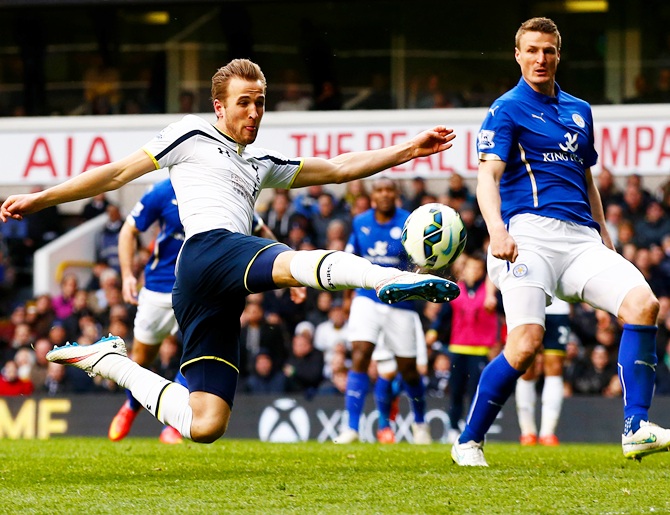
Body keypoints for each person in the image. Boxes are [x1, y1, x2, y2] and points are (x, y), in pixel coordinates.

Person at [1, 58, 458, 445]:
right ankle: (387, 279)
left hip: (208, 291)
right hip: (205, 250)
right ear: (219, 106)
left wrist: (406, 151)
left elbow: (339, 167)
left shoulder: (261, 165)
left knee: (206, 423)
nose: (255, 112)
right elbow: (117, 173)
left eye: (260, 101)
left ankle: (110, 362)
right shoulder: (192, 135)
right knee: (292, 259)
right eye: (244, 102)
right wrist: (41, 199)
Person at [451, 18, 670, 467]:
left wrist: (604, 232)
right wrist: (496, 229)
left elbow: (586, 178)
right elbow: (487, 177)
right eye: (532, 50)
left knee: (643, 304)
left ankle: (635, 428)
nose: (540, 59)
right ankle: (468, 441)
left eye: (548, 50)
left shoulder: (579, 110)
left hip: (581, 239)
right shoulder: (505, 109)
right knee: (527, 343)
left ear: (558, 54)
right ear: (517, 54)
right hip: (526, 237)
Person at [334, 178, 432, 445]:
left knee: (408, 370)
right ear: (373, 195)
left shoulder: (409, 222)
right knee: (361, 355)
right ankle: (351, 428)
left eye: (390, 189)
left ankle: (420, 424)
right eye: (380, 190)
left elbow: (420, 262)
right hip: (366, 298)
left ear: (396, 194)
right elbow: (350, 260)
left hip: (400, 302)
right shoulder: (359, 222)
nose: (385, 194)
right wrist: (346, 299)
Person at [107, 178, 187, 445]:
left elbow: (258, 227)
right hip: (159, 287)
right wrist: (128, 275)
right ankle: (131, 405)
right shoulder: (164, 190)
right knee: (142, 357)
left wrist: (287, 267)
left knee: (199, 354)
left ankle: (175, 424)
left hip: (200, 288)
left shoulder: (222, 185)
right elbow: (128, 230)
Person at [515, 298, 571, 447]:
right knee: (527, 366)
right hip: (528, 309)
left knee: (555, 367)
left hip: (558, 309)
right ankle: (527, 432)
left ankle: (548, 433)